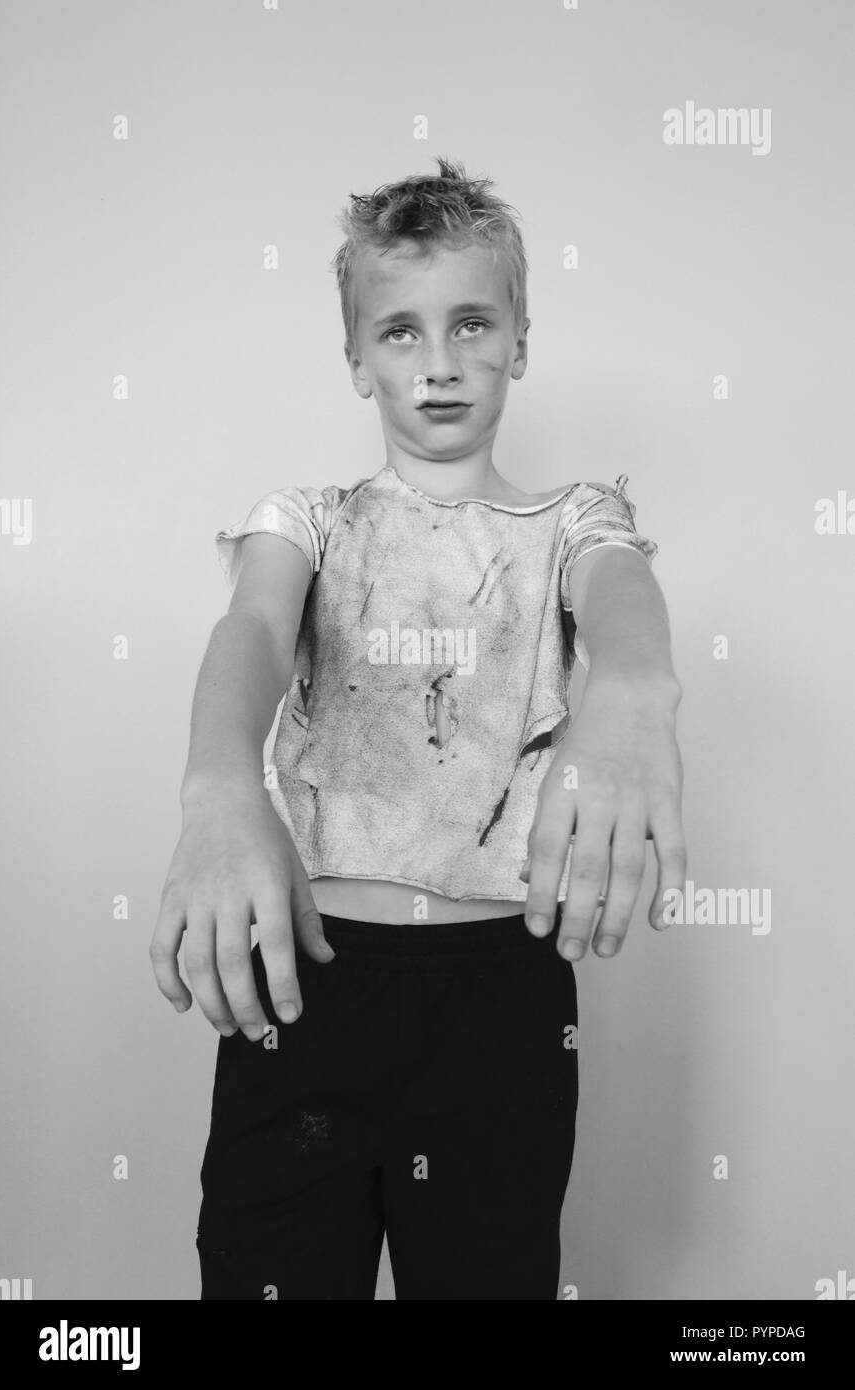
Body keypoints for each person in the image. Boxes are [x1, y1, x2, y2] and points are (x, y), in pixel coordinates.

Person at [150, 156, 686, 1300]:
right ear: (356, 358)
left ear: (519, 342)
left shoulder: (571, 518)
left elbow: (621, 598)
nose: (437, 363)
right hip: (310, 981)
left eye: (470, 324)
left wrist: (634, 693)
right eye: (399, 331)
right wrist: (217, 786)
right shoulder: (307, 520)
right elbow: (249, 627)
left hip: (501, 1002)